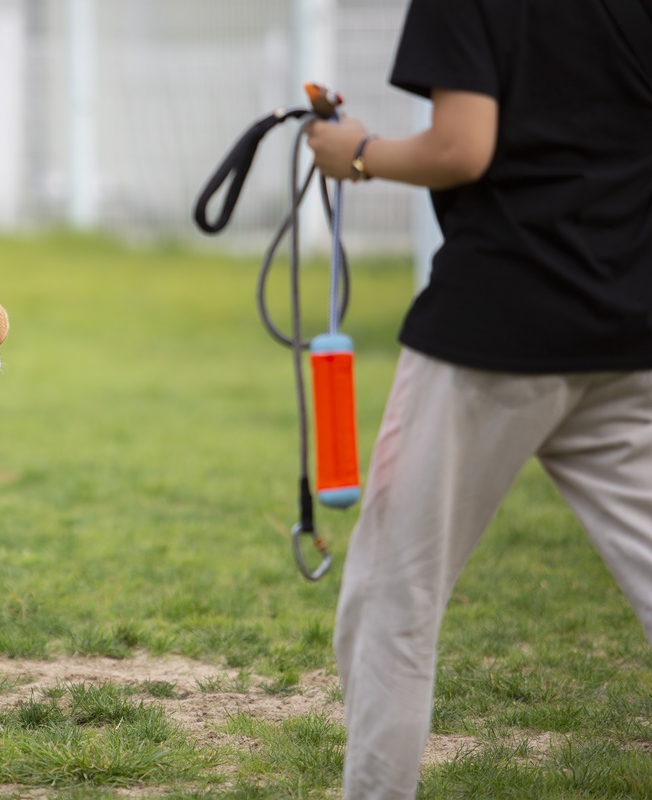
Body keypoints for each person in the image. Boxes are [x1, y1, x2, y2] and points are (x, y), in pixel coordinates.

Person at [305, 0, 652, 797]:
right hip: (630, 326)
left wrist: (356, 152)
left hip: (495, 330)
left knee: (394, 594)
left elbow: (463, 148)